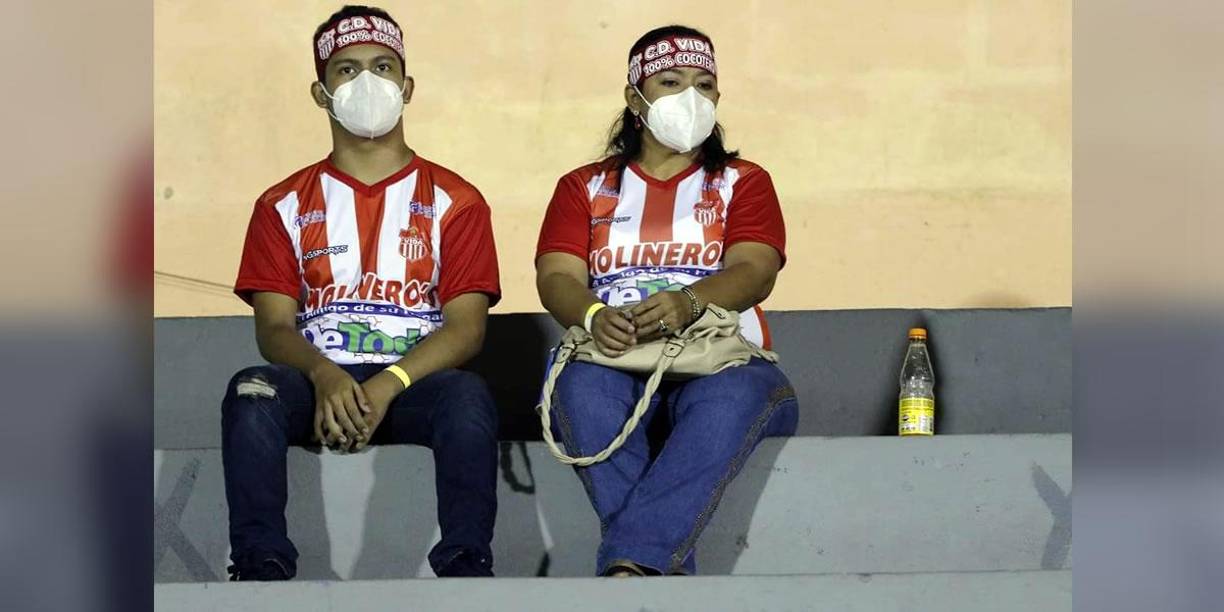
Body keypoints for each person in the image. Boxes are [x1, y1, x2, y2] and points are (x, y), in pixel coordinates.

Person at [223, 5, 501, 580]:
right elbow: (274, 327)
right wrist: (325, 374)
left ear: (408, 86)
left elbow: (467, 328)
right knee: (251, 391)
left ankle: (466, 561)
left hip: (414, 382)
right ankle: (260, 562)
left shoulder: (458, 199)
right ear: (321, 93)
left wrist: (388, 383)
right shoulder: (283, 203)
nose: (368, 82)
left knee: (468, 397)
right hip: (318, 382)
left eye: (382, 66)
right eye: (347, 70)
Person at [534, 25, 799, 577]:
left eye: (704, 85)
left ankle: (633, 565)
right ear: (635, 100)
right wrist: (592, 315)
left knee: (728, 402)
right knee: (580, 389)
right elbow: (556, 275)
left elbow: (756, 269)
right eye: (671, 82)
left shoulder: (743, 182)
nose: (690, 97)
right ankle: (655, 568)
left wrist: (690, 301)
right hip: (615, 359)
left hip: (726, 362)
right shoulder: (583, 187)